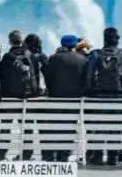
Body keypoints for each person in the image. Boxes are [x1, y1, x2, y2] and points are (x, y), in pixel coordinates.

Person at [85, 27, 122, 165]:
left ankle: (97, 156)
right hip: (119, 98)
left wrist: (90, 91)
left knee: (98, 126)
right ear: (117, 39)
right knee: (116, 127)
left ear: (104, 39)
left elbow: (88, 76)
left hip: (99, 97)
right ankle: (113, 157)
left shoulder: (96, 54)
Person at [43, 34, 86, 162]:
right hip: (74, 99)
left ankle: (51, 154)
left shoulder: (54, 58)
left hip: (55, 98)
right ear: (74, 45)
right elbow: (85, 80)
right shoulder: (82, 59)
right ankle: (64, 154)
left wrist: (51, 90)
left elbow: (47, 77)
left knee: (54, 126)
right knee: (69, 127)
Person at [0, 30, 39, 160]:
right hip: (27, 97)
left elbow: (2, 77)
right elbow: (36, 76)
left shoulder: (7, 57)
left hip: (9, 98)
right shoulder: (30, 55)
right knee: (27, 127)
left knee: (6, 126)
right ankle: (27, 154)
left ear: (10, 41)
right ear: (21, 41)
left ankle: (2, 153)